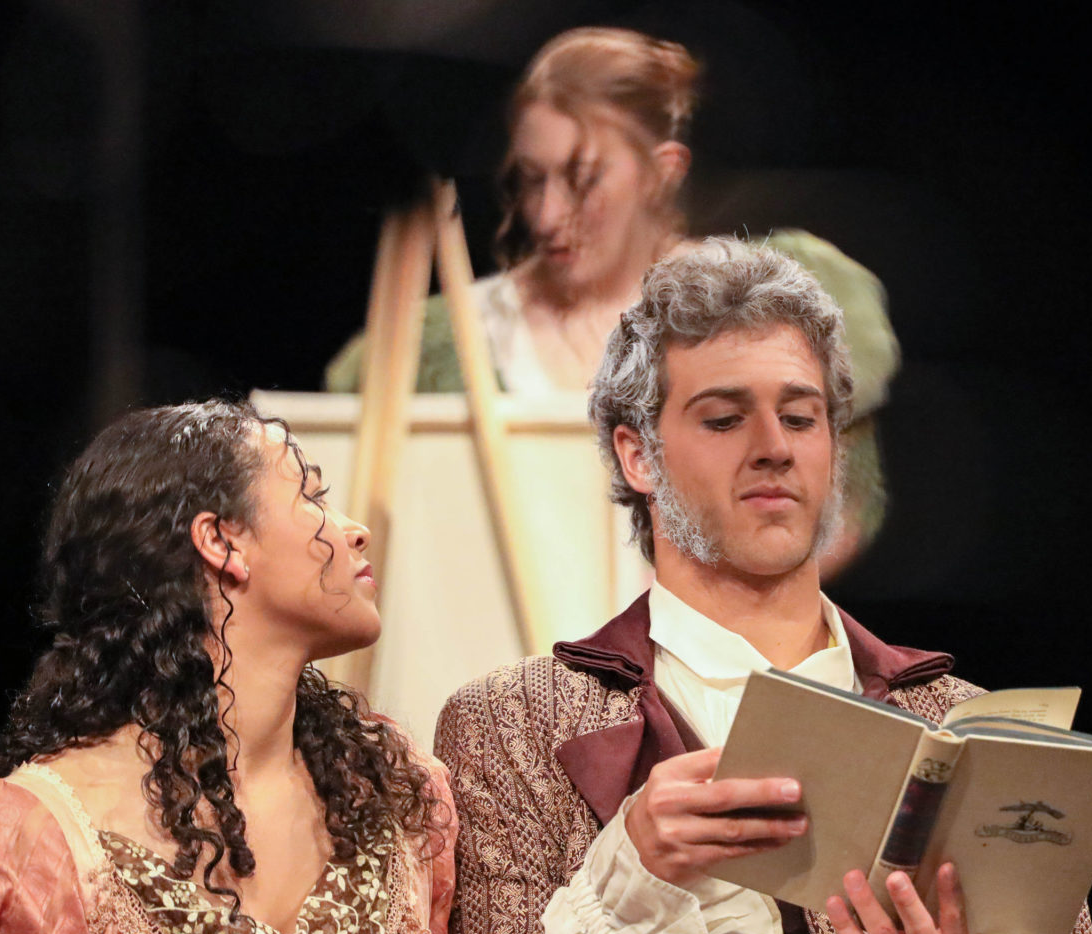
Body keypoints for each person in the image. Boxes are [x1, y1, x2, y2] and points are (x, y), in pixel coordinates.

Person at [434, 240, 1092, 934]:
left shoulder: (966, 725)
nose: (774, 446)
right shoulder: (509, 726)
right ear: (639, 456)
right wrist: (630, 880)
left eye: (802, 417)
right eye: (724, 418)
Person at [325, 27, 900, 574]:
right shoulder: (452, 340)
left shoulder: (762, 306)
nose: (548, 216)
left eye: (582, 179)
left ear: (661, 172)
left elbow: (845, 510)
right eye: (531, 181)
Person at [0, 401, 457, 934]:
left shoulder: (400, 796)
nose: (354, 530)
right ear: (219, 541)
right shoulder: (31, 836)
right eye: (313, 496)